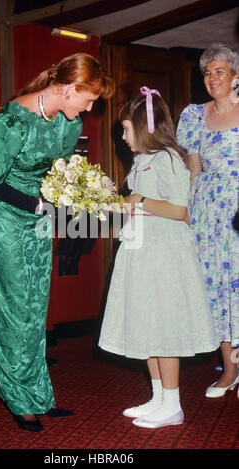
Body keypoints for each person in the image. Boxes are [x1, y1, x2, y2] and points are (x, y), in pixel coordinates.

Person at [0, 53, 115, 432]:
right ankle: (17, 395)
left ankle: (36, 391)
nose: (88, 108)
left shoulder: (69, 124)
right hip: (1, 214)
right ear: (68, 88)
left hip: (37, 214)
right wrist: (35, 203)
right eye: (87, 99)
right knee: (14, 300)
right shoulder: (12, 122)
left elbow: (61, 173)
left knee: (35, 303)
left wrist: (81, 198)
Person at [98, 87, 219, 429]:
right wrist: (116, 204)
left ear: (145, 127)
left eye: (125, 128)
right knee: (147, 324)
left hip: (165, 253)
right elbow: (138, 204)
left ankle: (174, 404)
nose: (122, 136)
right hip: (142, 250)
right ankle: (158, 398)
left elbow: (181, 210)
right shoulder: (141, 161)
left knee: (164, 327)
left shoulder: (168, 158)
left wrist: (138, 202)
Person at [177, 42, 239, 399]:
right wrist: (186, 211)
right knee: (216, 288)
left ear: (234, 77)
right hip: (207, 210)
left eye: (220, 71)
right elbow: (194, 167)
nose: (213, 78)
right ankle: (229, 369)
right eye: (207, 72)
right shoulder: (192, 115)